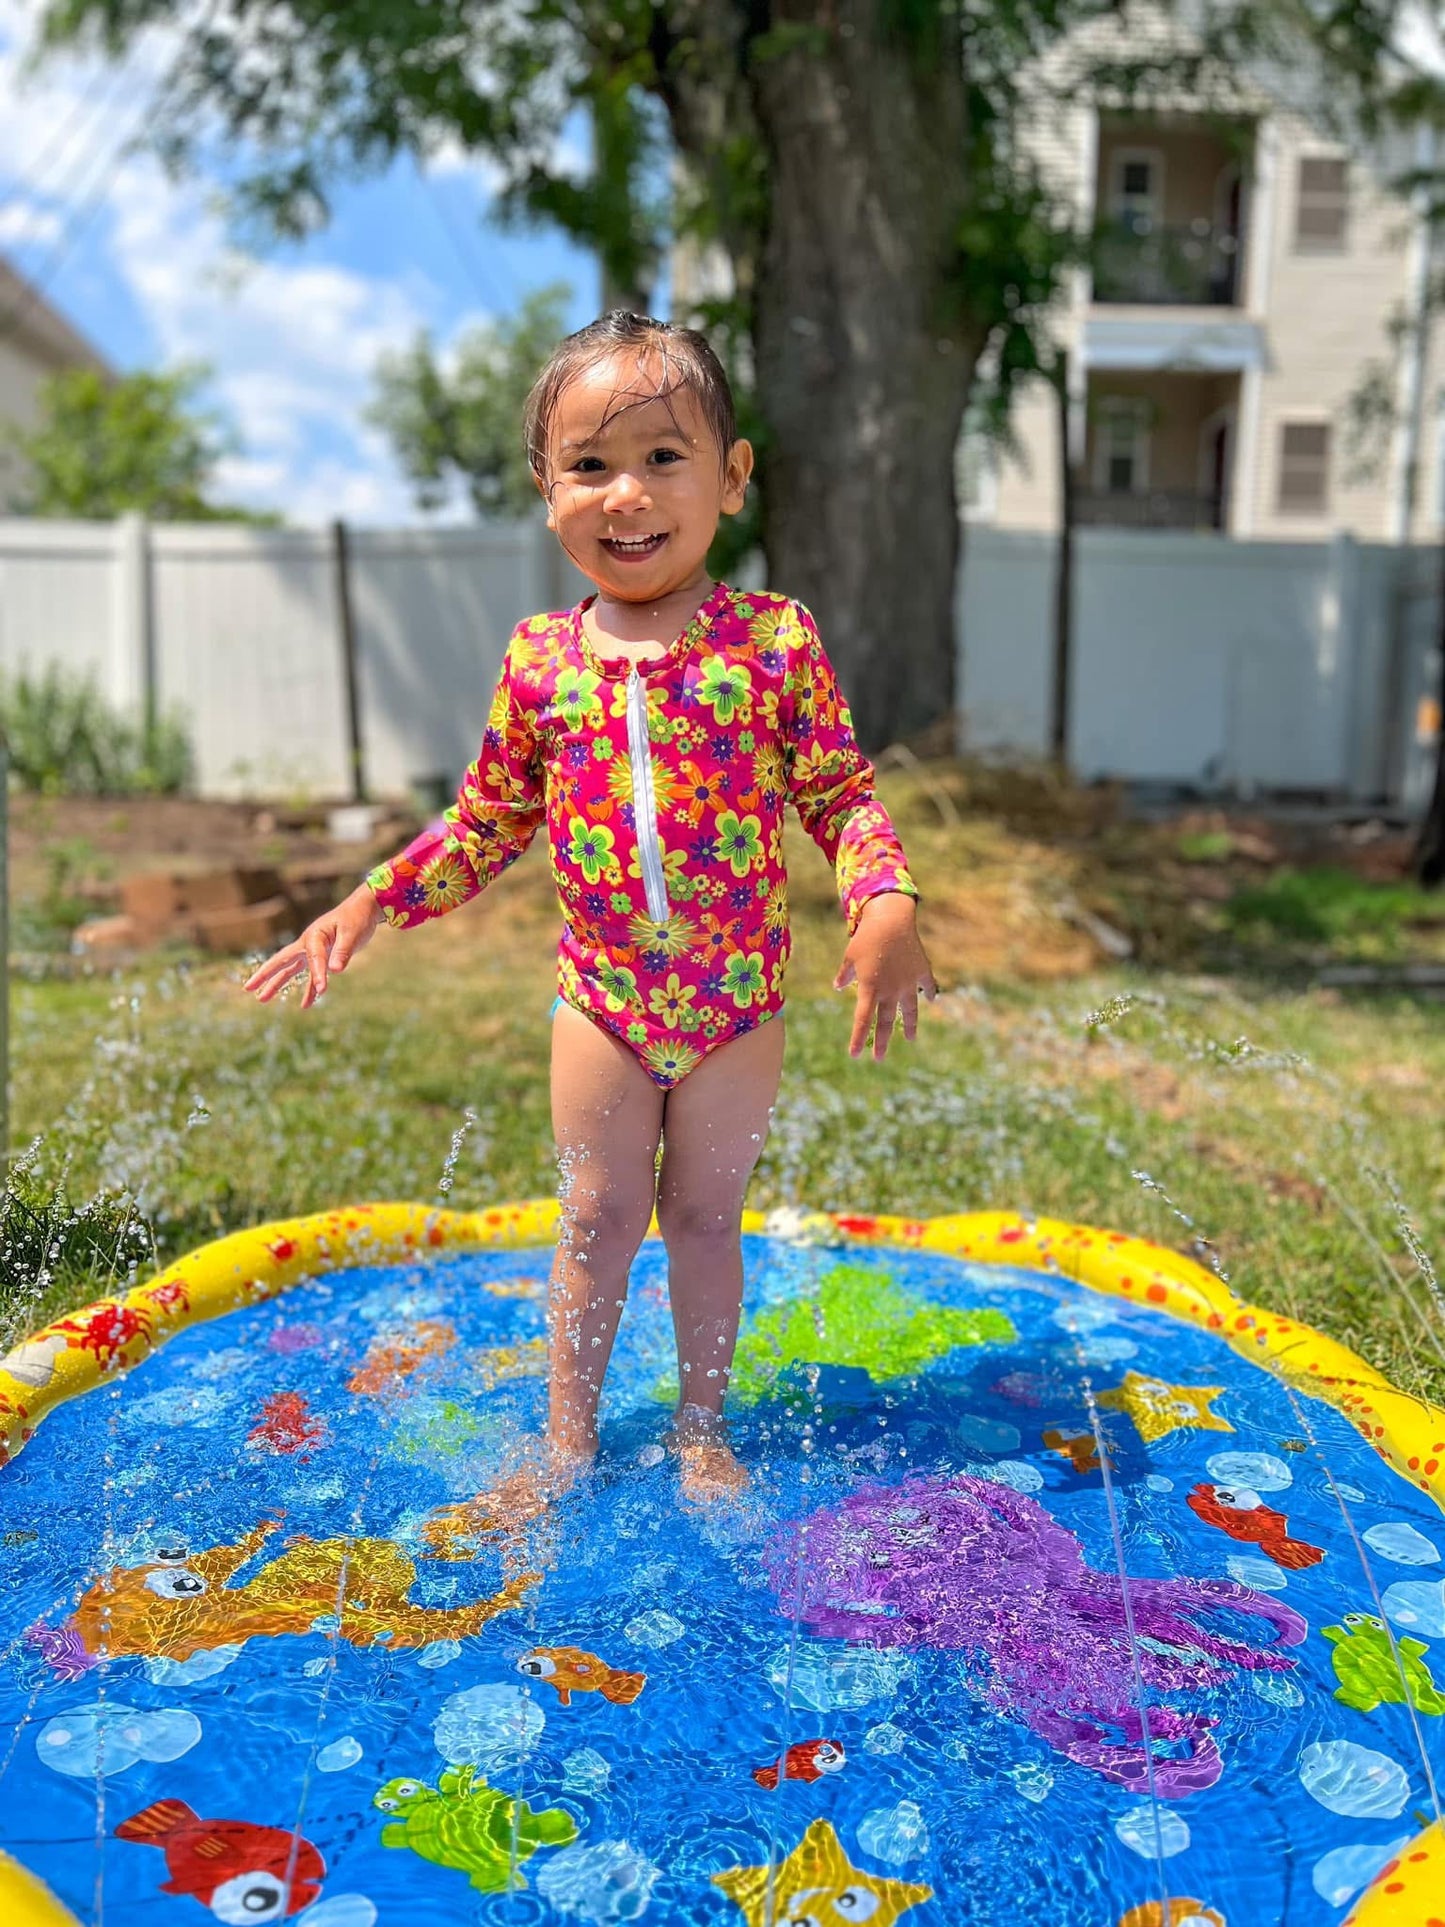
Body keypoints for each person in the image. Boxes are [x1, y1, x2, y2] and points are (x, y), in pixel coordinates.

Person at [245, 311, 937, 1525]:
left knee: (705, 1220)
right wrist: (368, 899)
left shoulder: (772, 644)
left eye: (665, 458)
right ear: (546, 492)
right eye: (589, 465)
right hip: (603, 1003)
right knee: (597, 1220)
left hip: (735, 1007)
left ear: (730, 477)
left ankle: (701, 1429)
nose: (627, 493)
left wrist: (883, 897)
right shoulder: (540, 662)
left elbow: (838, 792)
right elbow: (483, 823)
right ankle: (567, 1439)